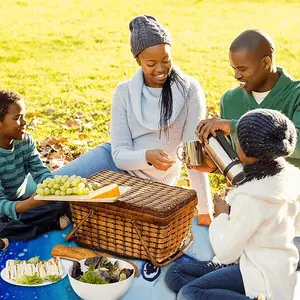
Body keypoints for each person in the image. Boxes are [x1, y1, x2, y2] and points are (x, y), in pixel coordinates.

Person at [51, 15, 213, 224]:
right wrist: (146, 156)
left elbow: (193, 156)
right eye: (151, 63)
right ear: (138, 61)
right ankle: (13, 215)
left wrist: (205, 210)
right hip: (112, 163)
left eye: (166, 59)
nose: (161, 69)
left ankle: (61, 216)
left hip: (149, 186)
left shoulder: (190, 90)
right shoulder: (124, 92)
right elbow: (118, 155)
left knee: (87, 214)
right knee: (49, 188)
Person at [165, 108, 300, 300]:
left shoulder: (252, 196)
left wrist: (222, 215)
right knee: (175, 274)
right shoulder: (290, 177)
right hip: (273, 265)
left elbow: (226, 252)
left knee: (189, 293)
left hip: (260, 274)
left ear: (245, 151)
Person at [0, 90, 70, 241]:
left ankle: (14, 233)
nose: (24, 122)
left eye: (24, 116)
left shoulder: (25, 141)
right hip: (5, 208)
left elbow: (40, 172)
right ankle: (48, 224)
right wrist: (28, 205)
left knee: (65, 203)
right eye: (17, 118)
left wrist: (53, 189)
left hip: (20, 202)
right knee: (3, 224)